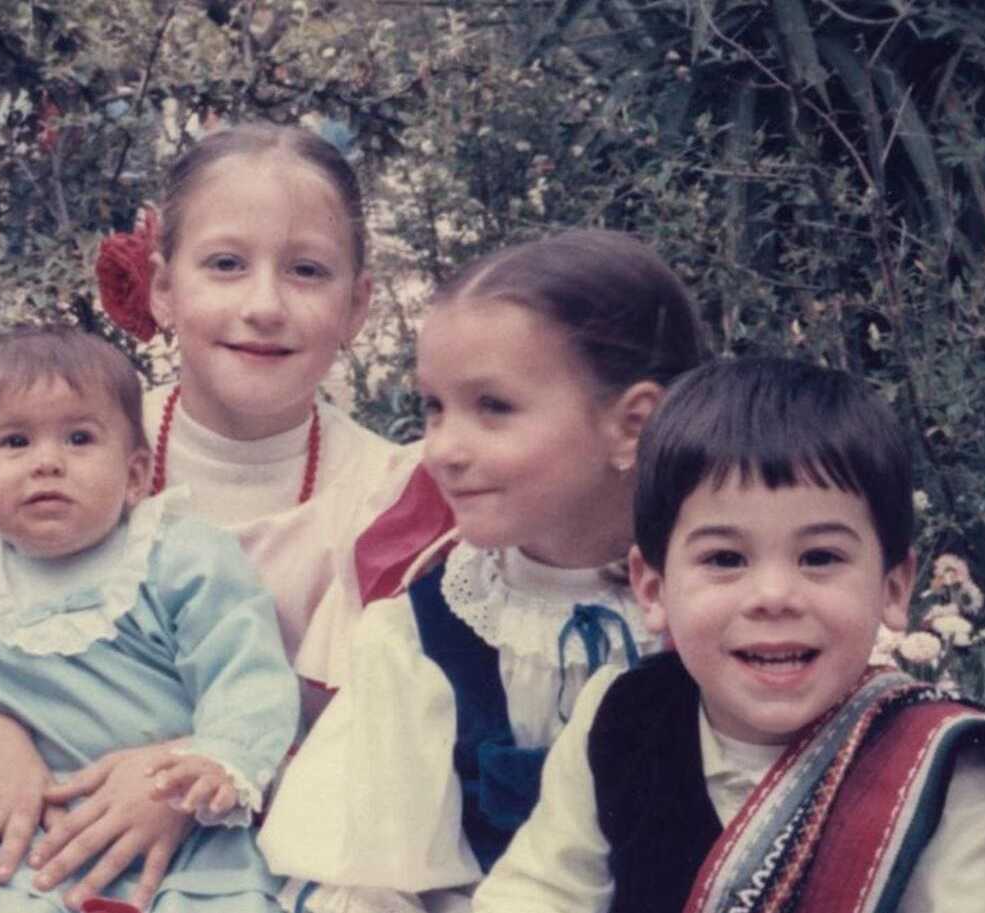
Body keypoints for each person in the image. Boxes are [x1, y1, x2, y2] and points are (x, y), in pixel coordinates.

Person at [0, 123, 447, 912]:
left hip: (278, 866)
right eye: (226, 264)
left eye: (306, 270)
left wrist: (187, 772)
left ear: (358, 304)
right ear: (164, 287)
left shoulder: (390, 499)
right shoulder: (58, 451)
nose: (263, 305)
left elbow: (394, 752)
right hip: (47, 848)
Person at [473, 357, 985, 913]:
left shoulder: (944, 770)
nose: (774, 596)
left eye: (819, 557)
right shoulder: (618, 719)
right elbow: (537, 893)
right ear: (652, 589)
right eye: (726, 559)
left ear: (893, 586)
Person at [258, 229, 710, 913]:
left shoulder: (726, 613)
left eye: (492, 407)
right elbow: (377, 876)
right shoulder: (428, 635)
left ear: (632, 425)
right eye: (435, 407)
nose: (443, 447)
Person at [0, 326, 300, 911]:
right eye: (16, 442)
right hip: (20, 832)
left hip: (176, 832)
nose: (47, 462)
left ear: (133, 476)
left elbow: (247, 676)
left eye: (79, 438)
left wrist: (212, 761)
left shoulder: (180, 555)